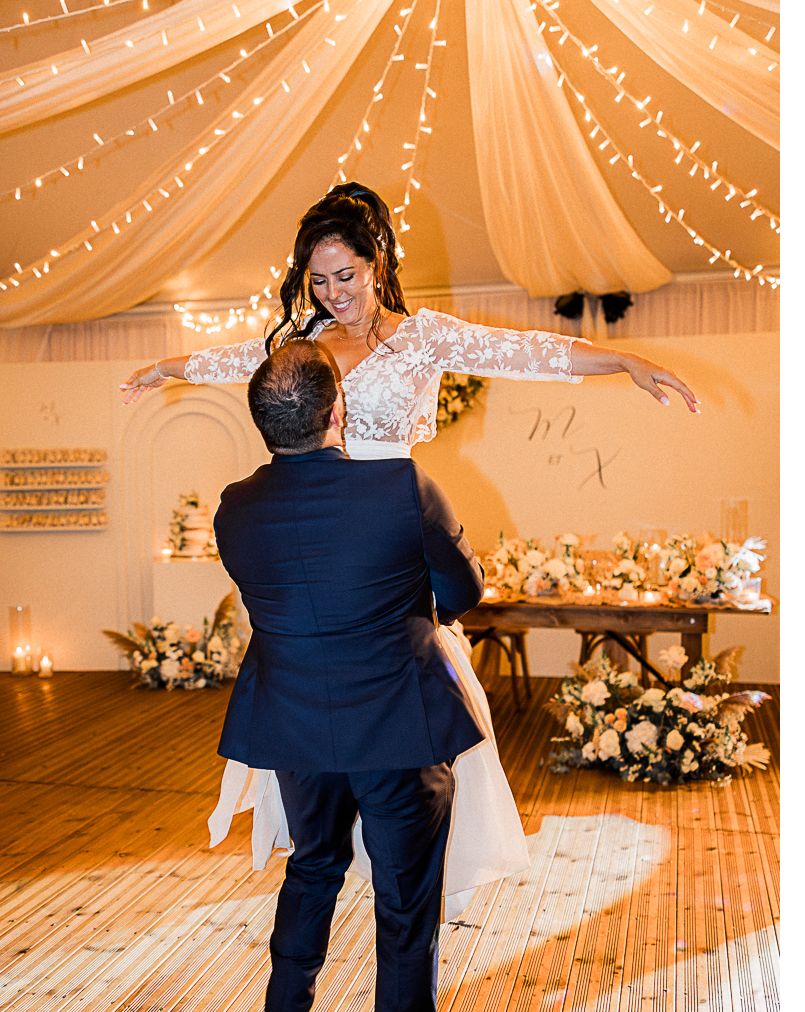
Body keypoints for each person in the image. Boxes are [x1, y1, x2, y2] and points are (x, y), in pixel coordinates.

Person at [118, 182, 700, 915]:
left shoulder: (422, 337)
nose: (333, 294)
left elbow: (523, 350)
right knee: (321, 717)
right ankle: (340, 845)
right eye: (319, 279)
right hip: (324, 549)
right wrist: (170, 367)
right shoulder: (299, 345)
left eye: (346, 276)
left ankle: (408, 862)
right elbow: (239, 358)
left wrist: (620, 359)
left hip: (386, 548)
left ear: (379, 261)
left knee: (411, 709)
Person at [215, 339, 476, 1012]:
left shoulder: (236, 506)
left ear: (263, 425)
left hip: (296, 722)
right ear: (338, 412)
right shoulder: (401, 486)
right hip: (397, 724)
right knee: (405, 905)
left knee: (313, 866)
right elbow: (462, 588)